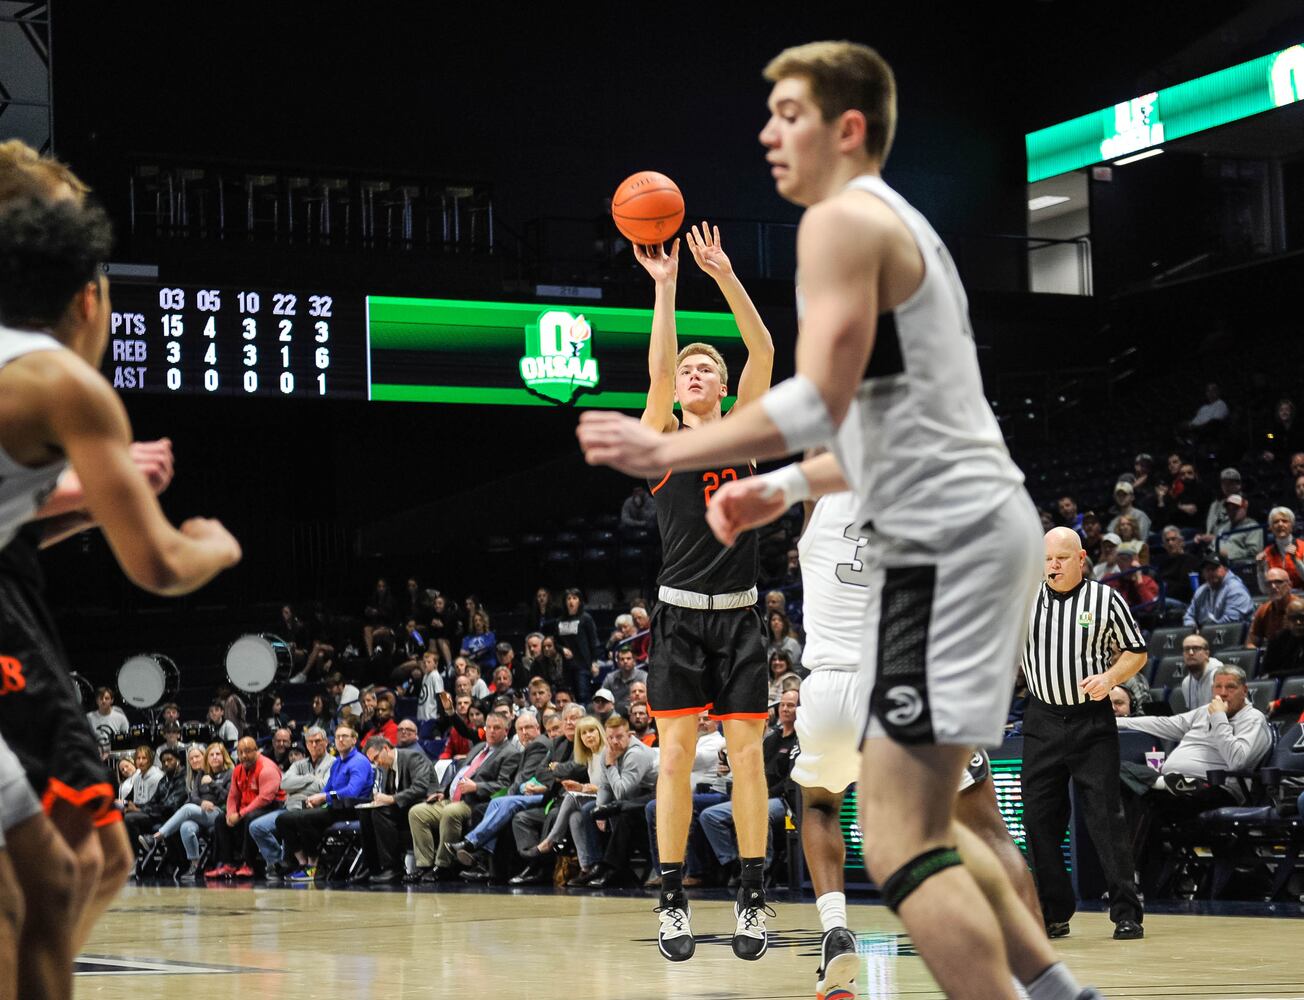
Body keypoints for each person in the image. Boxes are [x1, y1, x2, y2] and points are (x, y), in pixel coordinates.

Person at [579, 41, 1094, 999]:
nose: (769, 132)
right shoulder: (889, 295)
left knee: (858, 813)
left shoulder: (837, 265)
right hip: (929, 593)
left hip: (823, 621)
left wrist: (767, 479)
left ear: (846, 128)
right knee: (940, 827)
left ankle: (817, 933)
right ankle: (1046, 981)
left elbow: (791, 377)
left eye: (787, 114)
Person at [582, 217, 775, 959]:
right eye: (689, 371)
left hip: (741, 618)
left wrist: (722, 275)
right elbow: (659, 375)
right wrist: (664, 287)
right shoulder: (664, 437)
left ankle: (751, 897)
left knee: (750, 755)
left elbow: (761, 347)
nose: (692, 376)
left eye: (705, 372)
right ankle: (671, 901)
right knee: (671, 759)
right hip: (680, 618)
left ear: (725, 390)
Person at [788, 488, 1052, 1000]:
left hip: (825, 690)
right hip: (898, 685)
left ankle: (835, 927)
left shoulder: (818, 501)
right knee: (988, 829)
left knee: (819, 803)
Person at [1022, 528, 1146, 941]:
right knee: (1039, 821)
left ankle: (1126, 911)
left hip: (1091, 721)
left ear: (1081, 558)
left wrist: (1110, 678)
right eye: (1047, 559)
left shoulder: (1105, 599)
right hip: (1040, 720)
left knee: (1105, 818)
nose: (1053, 566)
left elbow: (1136, 651)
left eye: (1061, 558)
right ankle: (1053, 913)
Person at [407, 712, 518, 881]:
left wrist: (476, 787)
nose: (492, 731)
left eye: (497, 728)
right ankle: (424, 865)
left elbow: (504, 785)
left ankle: (443, 866)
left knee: (451, 812)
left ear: (507, 730)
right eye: (489, 727)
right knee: (417, 812)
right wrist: (442, 792)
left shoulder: (510, 753)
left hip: (475, 802)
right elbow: (460, 774)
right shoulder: (479, 747)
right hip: (451, 798)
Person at [451, 712, 549, 881]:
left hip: (544, 796)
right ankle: (483, 861)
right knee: (493, 804)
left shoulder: (539, 745)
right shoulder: (527, 747)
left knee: (497, 805)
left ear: (538, 728)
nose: (524, 732)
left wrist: (508, 795)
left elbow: (521, 779)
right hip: (529, 793)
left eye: (529, 728)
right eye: (521, 729)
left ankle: (472, 845)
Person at [274, 724, 371, 881]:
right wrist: (316, 799)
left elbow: (352, 792)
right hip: (335, 808)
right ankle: (303, 863)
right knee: (284, 819)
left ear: (354, 740)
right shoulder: (338, 763)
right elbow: (327, 788)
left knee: (306, 818)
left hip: (352, 809)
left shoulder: (359, 762)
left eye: (345, 736)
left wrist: (323, 798)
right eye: (338, 736)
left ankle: (314, 867)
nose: (340, 739)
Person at [253, 726, 335, 883]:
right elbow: (284, 784)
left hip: (314, 807)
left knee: (296, 819)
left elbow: (323, 786)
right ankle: (280, 862)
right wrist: (310, 778)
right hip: (289, 807)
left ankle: (306, 865)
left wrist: (297, 788)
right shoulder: (299, 764)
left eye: (317, 741)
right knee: (256, 826)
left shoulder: (332, 763)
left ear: (325, 742)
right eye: (310, 742)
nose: (314, 745)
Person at [205, 736, 284, 879]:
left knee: (250, 819)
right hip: (246, 809)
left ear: (257, 751)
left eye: (247, 751)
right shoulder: (238, 770)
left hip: (271, 807)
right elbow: (233, 796)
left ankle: (249, 865)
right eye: (240, 752)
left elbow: (265, 799)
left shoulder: (267, 768)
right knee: (220, 819)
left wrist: (240, 814)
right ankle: (228, 864)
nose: (243, 756)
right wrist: (230, 813)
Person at [357, 735, 431, 884]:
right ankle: (372, 867)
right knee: (365, 812)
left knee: (380, 813)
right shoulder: (385, 767)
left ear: (385, 748)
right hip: (401, 809)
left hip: (422, 805)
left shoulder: (413, 757)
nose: (376, 764)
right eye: (373, 761)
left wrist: (392, 799)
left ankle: (393, 868)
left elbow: (421, 787)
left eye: (376, 758)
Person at [1183, 554, 1255, 627]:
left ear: (1225, 569)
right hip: (1211, 634)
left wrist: (1204, 631)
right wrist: (1192, 628)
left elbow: (1231, 623)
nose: (1210, 573)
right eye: (1207, 570)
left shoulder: (1236, 589)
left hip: (1237, 635)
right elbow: (1188, 616)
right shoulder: (1201, 591)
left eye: (1214, 568)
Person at [1256, 507, 1304, 591]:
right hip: (1280, 599)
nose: (1280, 524)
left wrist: (1296, 561)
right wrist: (1260, 569)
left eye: (1284, 521)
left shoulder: (1302, 547)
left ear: (1292, 525)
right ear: (1270, 528)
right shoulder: (1266, 553)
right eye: (1275, 522)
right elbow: (1265, 590)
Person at [1247, 568, 1293, 648]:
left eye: (1278, 582)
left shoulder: (1300, 608)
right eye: (1269, 583)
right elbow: (1251, 643)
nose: (1273, 586)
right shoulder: (1263, 610)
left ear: (1289, 585)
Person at [1259, 597, 1304, 679]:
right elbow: (1265, 670)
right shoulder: (1278, 639)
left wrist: (1275, 675)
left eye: (1301, 617)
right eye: (1293, 618)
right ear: (1286, 620)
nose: (1298, 622)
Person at [1176, 636, 1222, 710]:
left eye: (1196, 648)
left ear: (1206, 654)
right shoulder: (1186, 683)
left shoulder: (1220, 676)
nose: (1190, 653)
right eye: (1186, 649)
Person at [1217, 494, 1262, 563]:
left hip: (1238, 565)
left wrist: (1229, 554)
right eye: (1229, 509)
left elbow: (1254, 552)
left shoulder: (1252, 527)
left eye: (1235, 508)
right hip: (1217, 562)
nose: (1232, 512)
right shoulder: (1224, 527)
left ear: (1244, 508)